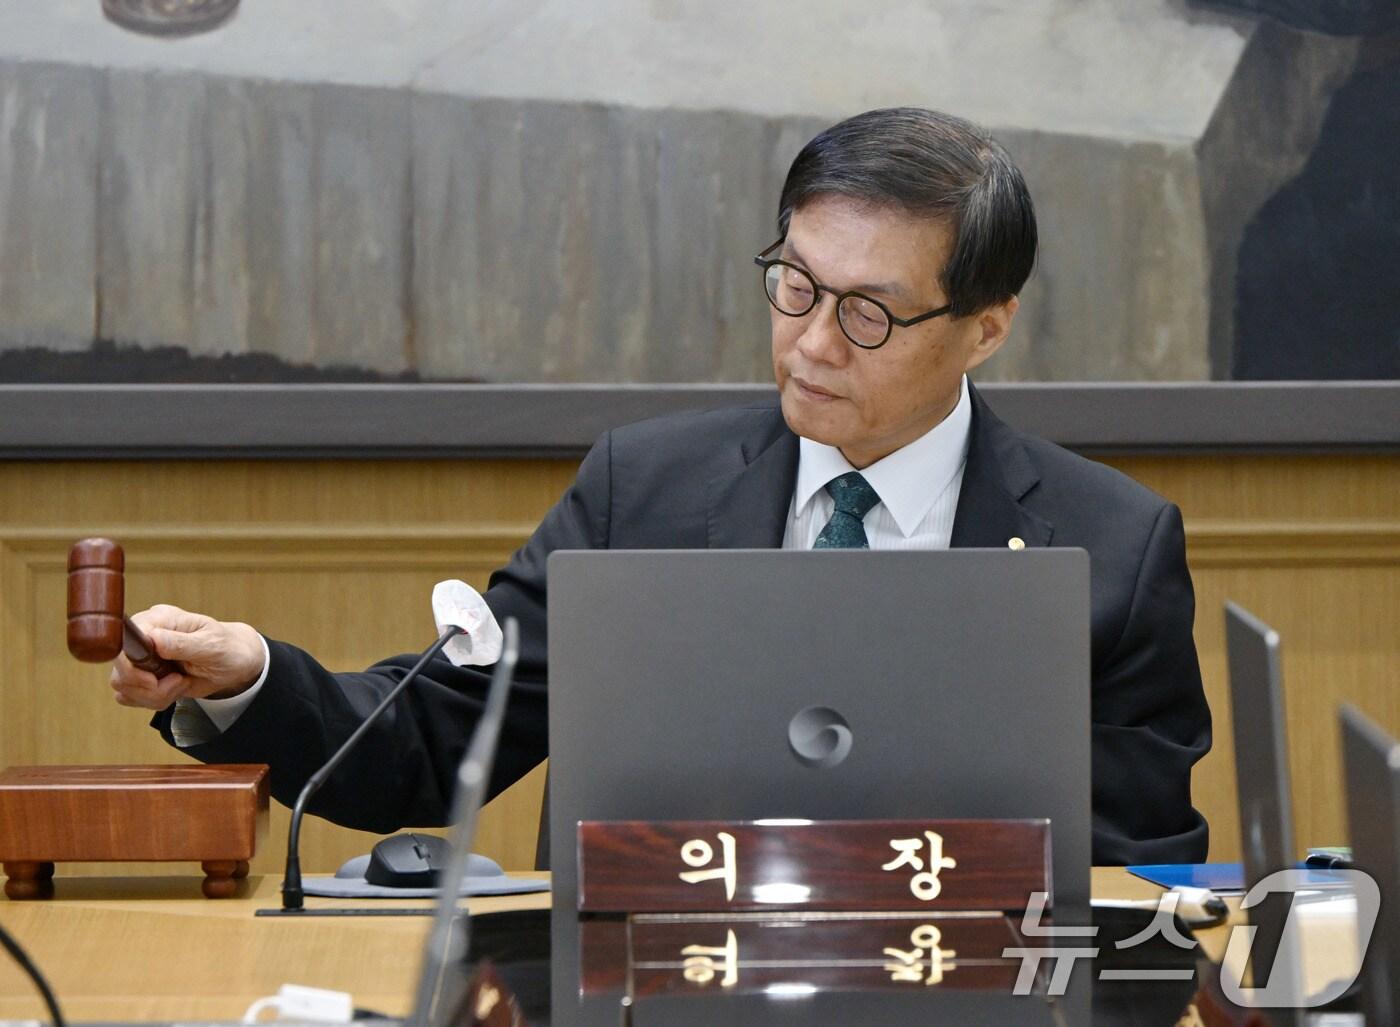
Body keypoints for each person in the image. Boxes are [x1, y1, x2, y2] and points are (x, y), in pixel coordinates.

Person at [110, 107, 1212, 866]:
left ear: (984, 327)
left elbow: (1129, 884)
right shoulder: (642, 490)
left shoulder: (1108, 550)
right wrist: (248, 676)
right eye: (793, 285)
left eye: (867, 313)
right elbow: (436, 738)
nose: (812, 343)